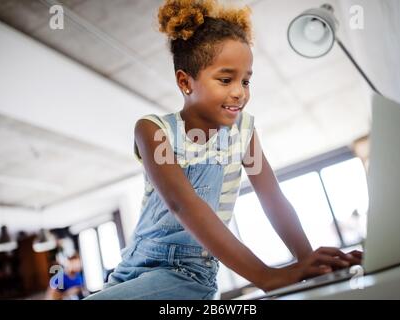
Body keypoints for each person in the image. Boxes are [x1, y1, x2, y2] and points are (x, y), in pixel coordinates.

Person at [87, 0, 361, 300]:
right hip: (128, 270)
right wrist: (267, 277)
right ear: (185, 82)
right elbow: (182, 204)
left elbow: (272, 198)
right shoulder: (153, 130)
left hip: (185, 273)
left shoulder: (242, 133)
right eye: (226, 79)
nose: (240, 92)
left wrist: (308, 262)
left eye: (246, 80)